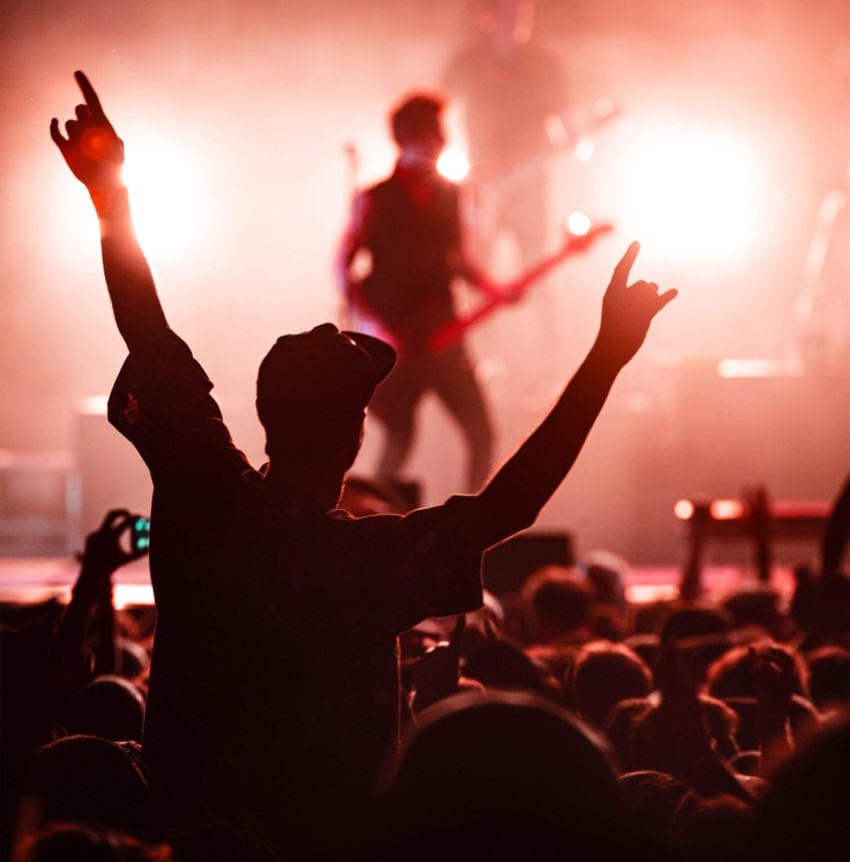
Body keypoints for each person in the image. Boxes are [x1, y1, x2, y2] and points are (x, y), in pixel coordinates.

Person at [50, 71, 675, 853]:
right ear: (353, 433)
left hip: (185, 832)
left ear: (270, 415)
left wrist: (110, 199)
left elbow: (147, 329)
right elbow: (512, 503)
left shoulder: (202, 489)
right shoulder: (362, 562)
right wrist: (606, 360)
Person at [336, 91, 503, 493]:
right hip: (398, 341)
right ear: (412, 138)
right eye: (434, 133)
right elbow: (345, 267)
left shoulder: (451, 194)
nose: (441, 142)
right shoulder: (375, 199)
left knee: (482, 435)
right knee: (399, 438)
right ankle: (367, 523)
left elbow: (459, 259)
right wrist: (376, 328)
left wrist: (494, 289)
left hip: (444, 335)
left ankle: (470, 527)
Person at [442, 0, 568, 270]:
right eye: (507, 12)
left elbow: (567, 124)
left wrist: (572, 139)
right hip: (480, 183)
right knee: (474, 268)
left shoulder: (545, 66)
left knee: (536, 271)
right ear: (486, 16)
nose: (516, 21)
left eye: (522, 14)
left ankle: (547, 318)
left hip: (530, 183)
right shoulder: (467, 64)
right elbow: (438, 111)